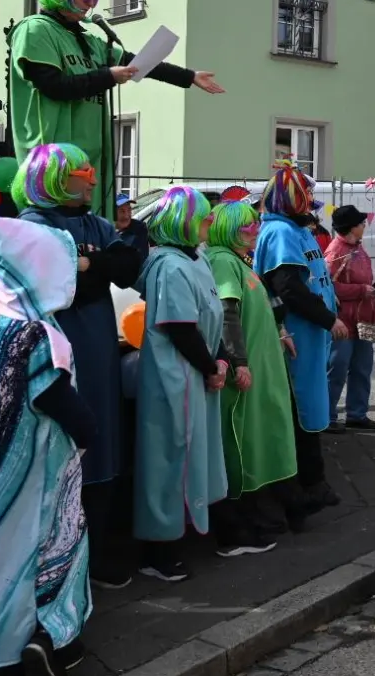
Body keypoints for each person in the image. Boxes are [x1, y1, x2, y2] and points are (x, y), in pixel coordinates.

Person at [0, 214, 94, 673]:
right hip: (32, 469)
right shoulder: (32, 332)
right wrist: (90, 433)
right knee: (30, 552)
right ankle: (34, 641)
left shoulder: (0, 312)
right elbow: (54, 396)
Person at [13, 143, 142, 588]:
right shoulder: (32, 226)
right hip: (57, 357)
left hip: (98, 355)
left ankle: (96, 555)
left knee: (102, 450)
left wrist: (91, 264)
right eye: (82, 173)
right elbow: (63, 288)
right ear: (53, 179)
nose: (92, 180)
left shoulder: (96, 224)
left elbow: (128, 266)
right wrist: (92, 270)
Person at [6, 0, 224, 215]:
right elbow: (54, 86)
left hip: (90, 151)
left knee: (92, 223)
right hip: (55, 151)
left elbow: (136, 64)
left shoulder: (90, 41)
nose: (91, 4)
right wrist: (107, 76)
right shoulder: (35, 29)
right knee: (59, 221)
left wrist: (189, 76)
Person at [133, 186, 228, 582]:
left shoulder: (196, 258)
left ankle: (185, 531)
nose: (210, 221)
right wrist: (210, 366)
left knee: (193, 454)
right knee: (169, 458)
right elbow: (181, 328)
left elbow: (209, 318)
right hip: (175, 376)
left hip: (196, 372)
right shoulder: (169, 266)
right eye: (203, 216)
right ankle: (158, 549)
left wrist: (220, 359)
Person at [204, 201, 299, 554]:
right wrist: (239, 362)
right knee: (240, 446)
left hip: (257, 372)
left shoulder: (237, 260)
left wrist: (279, 332)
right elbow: (227, 313)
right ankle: (236, 529)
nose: (255, 230)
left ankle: (255, 516)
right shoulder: (223, 260)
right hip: (243, 377)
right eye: (247, 226)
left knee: (256, 443)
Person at [254, 165, 342, 511]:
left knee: (308, 409)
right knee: (298, 411)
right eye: (306, 194)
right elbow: (289, 288)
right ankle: (302, 488)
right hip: (296, 338)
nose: (312, 200)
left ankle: (312, 481)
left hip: (309, 338)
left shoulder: (296, 229)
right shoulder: (280, 233)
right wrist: (329, 319)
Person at [325, 205, 375, 432]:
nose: (364, 225)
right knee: (337, 369)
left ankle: (357, 414)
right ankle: (327, 416)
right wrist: (360, 291)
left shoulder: (358, 247)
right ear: (351, 227)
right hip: (344, 321)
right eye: (361, 223)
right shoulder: (336, 252)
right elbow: (328, 286)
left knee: (363, 368)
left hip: (366, 319)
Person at [114, 193, 150, 260]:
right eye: (122, 211)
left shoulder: (139, 229)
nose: (126, 216)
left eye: (129, 210)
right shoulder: (105, 229)